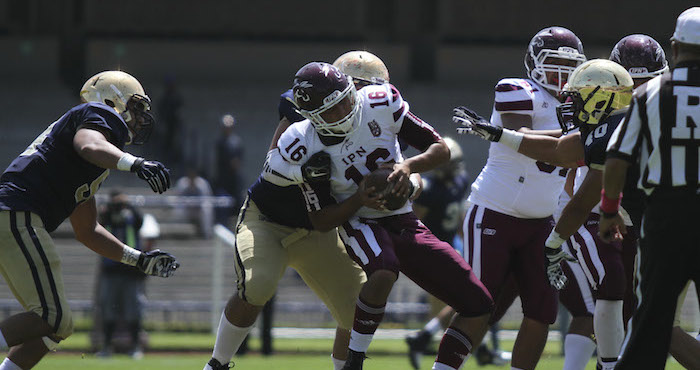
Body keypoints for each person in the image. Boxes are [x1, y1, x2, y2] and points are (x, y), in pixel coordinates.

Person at [266, 62, 494, 370]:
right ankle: (354, 362)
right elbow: (321, 220)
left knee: (479, 304)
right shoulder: (302, 143)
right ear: (314, 116)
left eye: (348, 97)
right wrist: (359, 198)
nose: (348, 109)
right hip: (358, 220)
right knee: (384, 270)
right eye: (335, 108)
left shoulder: (378, 102)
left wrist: (408, 168)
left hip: (404, 220)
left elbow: (439, 150)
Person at [203, 51, 393, 370]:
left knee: (358, 308)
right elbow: (273, 161)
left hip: (318, 229)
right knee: (258, 284)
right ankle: (217, 364)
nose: (369, 99)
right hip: (269, 219)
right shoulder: (304, 108)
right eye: (361, 88)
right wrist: (302, 172)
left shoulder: (378, 121)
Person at [0, 70, 179, 370]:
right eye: (135, 108)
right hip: (16, 214)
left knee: (58, 326)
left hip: (13, 216)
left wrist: (139, 260)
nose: (138, 118)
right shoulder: (98, 113)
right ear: (113, 100)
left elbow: (88, 230)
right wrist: (135, 163)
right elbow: (88, 143)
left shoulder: (92, 164)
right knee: (52, 316)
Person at [456, 26, 586, 370]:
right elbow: (522, 136)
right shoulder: (518, 88)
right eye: (555, 63)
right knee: (479, 306)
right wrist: (582, 133)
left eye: (570, 66)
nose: (563, 73)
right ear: (533, 62)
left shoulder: (581, 105)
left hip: (542, 221)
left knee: (542, 311)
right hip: (496, 210)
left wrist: (581, 132)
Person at [598, 7, 700, 368]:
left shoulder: (649, 94)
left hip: (666, 218)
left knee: (650, 327)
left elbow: (616, 159)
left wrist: (610, 211)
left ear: (675, 47)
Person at [95, 190, 148, 359]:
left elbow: (140, 221)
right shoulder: (106, 215)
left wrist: (128, 205)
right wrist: (109, 208)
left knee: (133, 309)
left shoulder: (131, 215)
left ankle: (135, 347)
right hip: (110, 271)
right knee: (108, 308)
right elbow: (97, 225)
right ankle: (106, 347)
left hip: (130, 271)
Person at [214, 114, 244, 220]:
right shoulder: (220, 142)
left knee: (237, 203)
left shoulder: (237, 141)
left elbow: (238, 159)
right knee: (223, 203)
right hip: (223, 178)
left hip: (234, 178)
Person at [174, 166, 214, 238]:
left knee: (207, 209)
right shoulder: (182, 183)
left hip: (198, 209)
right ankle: (179, 235)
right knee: (178, 210)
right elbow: (178, 198)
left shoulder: (202, 183)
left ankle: (207, 233)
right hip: (186, 209)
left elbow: (207, 198)